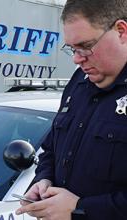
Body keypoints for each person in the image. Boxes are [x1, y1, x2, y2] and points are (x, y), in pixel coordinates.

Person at [15, 0, 127, 219]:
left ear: (121, 31)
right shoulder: (80, 82)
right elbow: (51, 148)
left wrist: (80, 209)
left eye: (86, 46)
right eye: (72, 49)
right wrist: (43, 180)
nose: (77, 59)